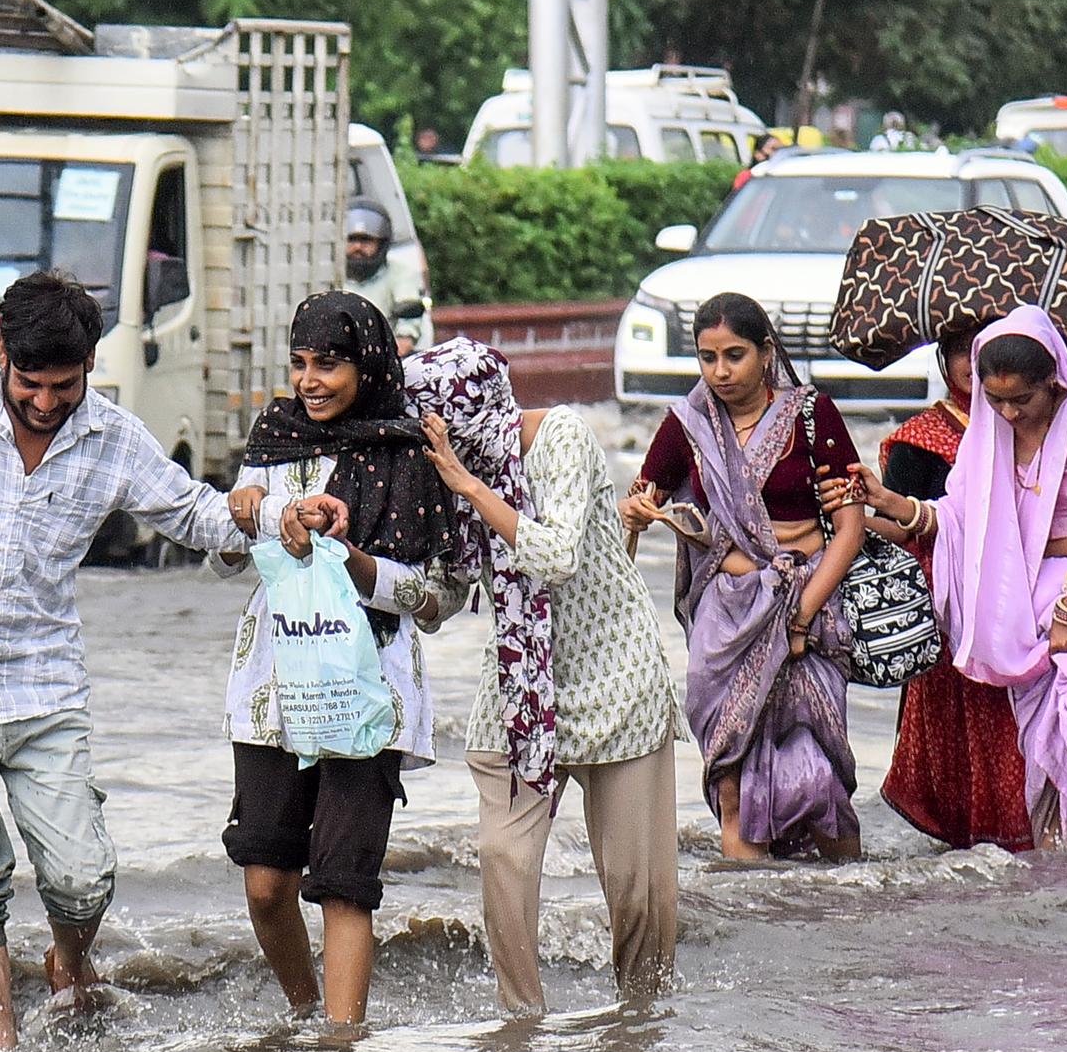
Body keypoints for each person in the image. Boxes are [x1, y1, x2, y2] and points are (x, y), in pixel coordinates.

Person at [0, 272, 275, 1051]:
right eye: (31, 383)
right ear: (1, 351)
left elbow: (196, 515)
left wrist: (268, 510)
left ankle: (68, 962)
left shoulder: (114, 438)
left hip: (46, 689)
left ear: (89, 366)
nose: (46, 402)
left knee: (82, 881)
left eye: (64, 385)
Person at [220, 293, 469, 1027]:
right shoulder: (273, 438)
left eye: (328, 364)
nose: (310, 381)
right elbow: (224, 560)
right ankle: (305, 1015)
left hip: (369, 692)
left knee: (344, 884)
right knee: (265, 882)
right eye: (299, 363)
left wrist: (357, 563)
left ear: (369, 365)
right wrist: (244, 516)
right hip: (275, 687)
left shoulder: (411, 452)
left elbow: (442, 595)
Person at [415, 338, 684, 1010]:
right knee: (502, 858)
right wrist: (368, 571)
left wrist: (469, 486)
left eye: (428, 420)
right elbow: (444, 595)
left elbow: (556, 554)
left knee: (637, 890)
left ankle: (640, 1025)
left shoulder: (561, 436)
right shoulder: (446, 474)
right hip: (520, 682)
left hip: (615, 676)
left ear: (467, 413)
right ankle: (520, 1023)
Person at [843, 310, 1067, 840]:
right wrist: (883, 502)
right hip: (1034, 593)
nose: (1009, 413)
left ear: (1052, 381)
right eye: (996, 400)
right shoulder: (990, 431)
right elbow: (958, 520)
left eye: (1022, 400)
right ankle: (1065, 871)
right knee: (1045, 749)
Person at [621, 293, 868, 862]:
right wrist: (635, 512)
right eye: (708, 358)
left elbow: (850, 529)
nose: (721, 372)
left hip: (809, 603)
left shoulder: (812, 416)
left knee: (821, 776)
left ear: (766, 351)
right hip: (726, 616)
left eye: (735, 356)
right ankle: (749, 900)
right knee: (730, 776)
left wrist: (801, 617)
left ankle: (847, 903)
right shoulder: (687, 425)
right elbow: (644, 500)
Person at [846, 321, 1035, 853]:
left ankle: (1032, 848)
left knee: (1024, 732)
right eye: (960, 353)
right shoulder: (921, 440)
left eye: (985, 353)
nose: (973, 366)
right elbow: (897, 527)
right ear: (943, 361)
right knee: (955, 738)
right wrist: (847, 514)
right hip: (947, 609)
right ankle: (965, 858)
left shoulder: (1033, 428)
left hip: (1023, 604)